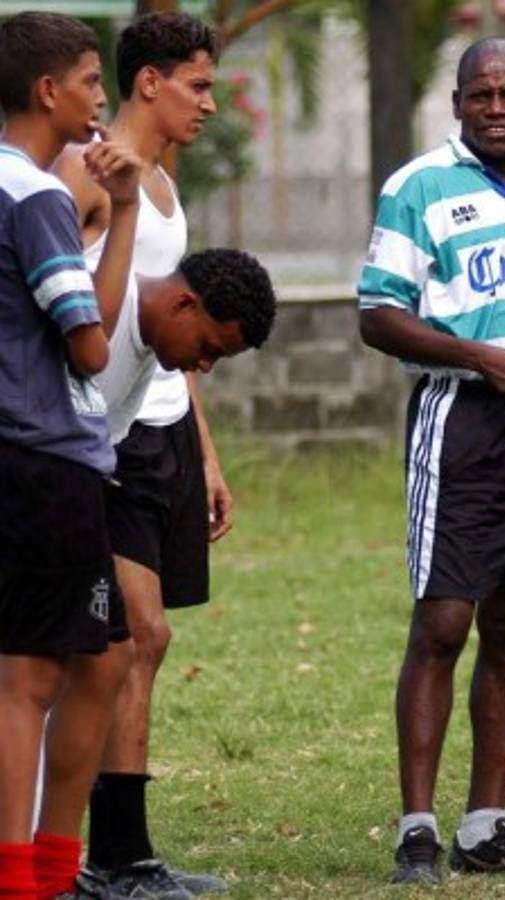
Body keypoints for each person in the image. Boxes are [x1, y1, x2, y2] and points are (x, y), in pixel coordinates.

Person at [358, 36, 505, 886]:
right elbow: (377, 315)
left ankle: (484, 826)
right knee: (445, 621)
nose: (497, 107)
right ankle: (417, 829)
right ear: (457, 102)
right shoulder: (417, 186)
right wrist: (477, 357)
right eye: (481, 94)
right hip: (460, 418)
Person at [54, 12, 238, 897]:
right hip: (99, 436)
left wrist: (202, 447)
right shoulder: (87, 174)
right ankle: (102, 854)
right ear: (148, 82)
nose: (210, 102)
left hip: (157, 426)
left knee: (145, 645)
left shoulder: (164, 183)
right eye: (198, 85)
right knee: (126, 639)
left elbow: (177, 326)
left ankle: (124, 854)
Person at [0, 12, 141, 900]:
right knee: (30, 676)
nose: (102, 96)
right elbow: (90, 346)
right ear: (49, 91)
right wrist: (123, 211)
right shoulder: (37, 196)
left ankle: (47, 868)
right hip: (42, 457)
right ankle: (27, 880)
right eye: (93, 79)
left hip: (27, 457)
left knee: (102, 657)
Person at [97, 248, 276, 448]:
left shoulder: (149, 344)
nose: (206, 366)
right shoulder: (95, 310)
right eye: (208, 348)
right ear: (184, 304)